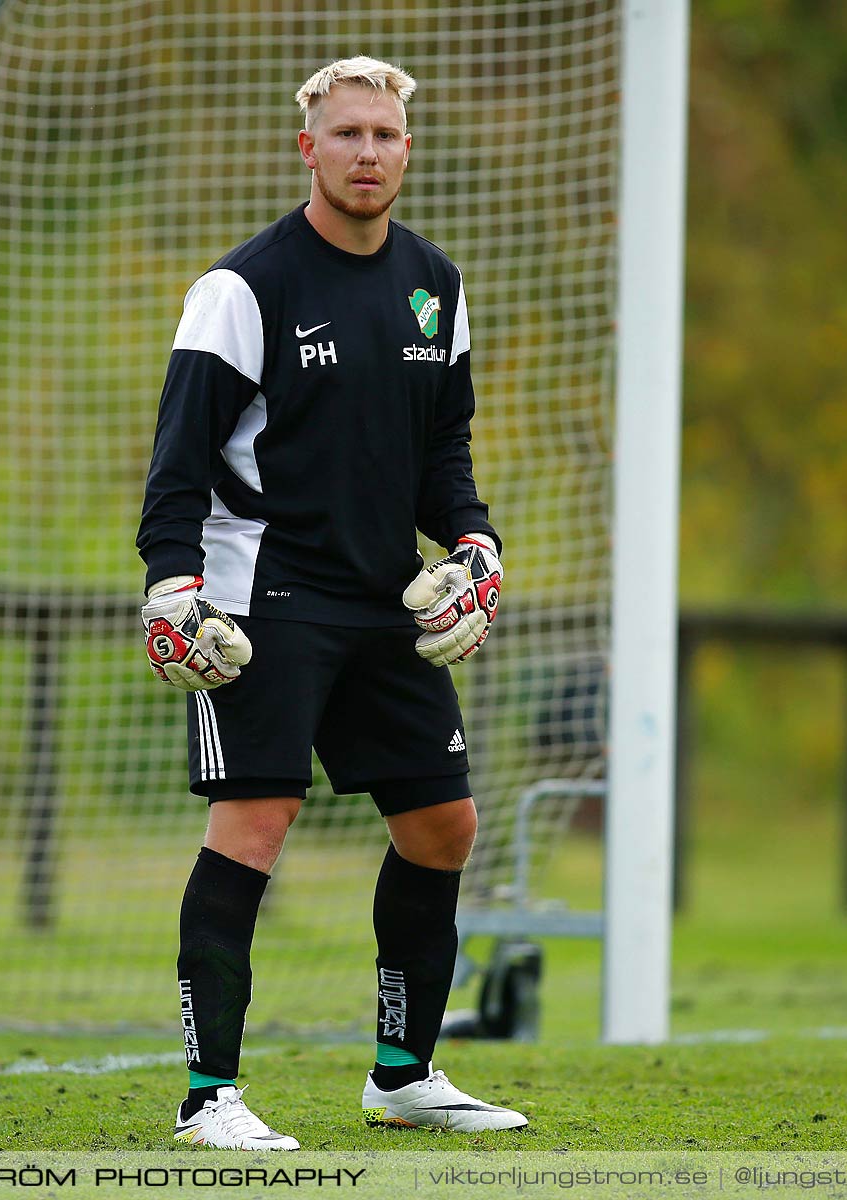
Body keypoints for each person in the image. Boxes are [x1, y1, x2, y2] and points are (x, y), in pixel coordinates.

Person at [136, 56, 524, 1150]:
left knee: (444, 825)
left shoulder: (433, 283)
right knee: (257, 824)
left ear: (408, 149)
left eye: (385, 136)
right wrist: (173, 584)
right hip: (263, 597)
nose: (367, 152)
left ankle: (403, 1077)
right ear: (307, 146)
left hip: (385, 598)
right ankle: (210, 1097)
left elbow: (443, 445)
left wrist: (475, 540)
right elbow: (178, 464)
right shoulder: (243, 288)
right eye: (347, 134)